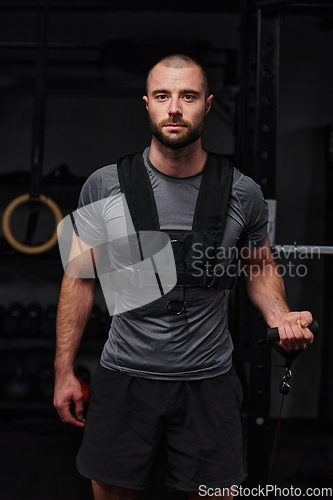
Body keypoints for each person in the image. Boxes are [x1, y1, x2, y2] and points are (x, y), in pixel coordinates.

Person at [53, 54, 314, 500]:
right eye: (163, 96)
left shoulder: (242, 191)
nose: (175, 107)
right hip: (124, 376)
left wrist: (282, 316)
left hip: (208, 380)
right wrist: (63, 372)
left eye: (187, 96)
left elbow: (259, 266)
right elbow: (79, 279)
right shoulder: (104, 185)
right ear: (148, 104)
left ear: (207, 105)